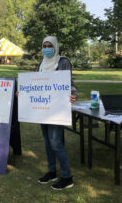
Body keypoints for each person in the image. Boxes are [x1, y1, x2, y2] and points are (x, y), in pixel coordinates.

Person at [36, 36, 78, 190]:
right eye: (44, 45)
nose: (47, 48)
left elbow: (70, 83)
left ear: (55, 47)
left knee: (56, 142)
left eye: (49, 45)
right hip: (42, 108)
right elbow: (34, 83)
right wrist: (24, 93)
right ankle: (52, 172)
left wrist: (74, 95)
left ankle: (67, 177)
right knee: (48, 143)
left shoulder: (63, 62)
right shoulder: (41, 63)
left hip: (57, 109)